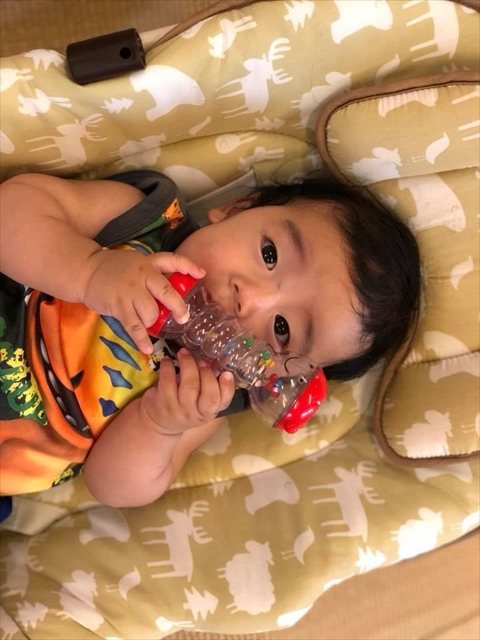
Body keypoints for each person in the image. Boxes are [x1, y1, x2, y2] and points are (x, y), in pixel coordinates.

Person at [0, 169, 420, 512]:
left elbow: (110, 487)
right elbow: (13, 207)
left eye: (282, 329)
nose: (250, 299)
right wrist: (90, 270)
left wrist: (157, 424)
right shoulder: (141, 223)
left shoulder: (203, 398)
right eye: (269, 255)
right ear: (239, 207)